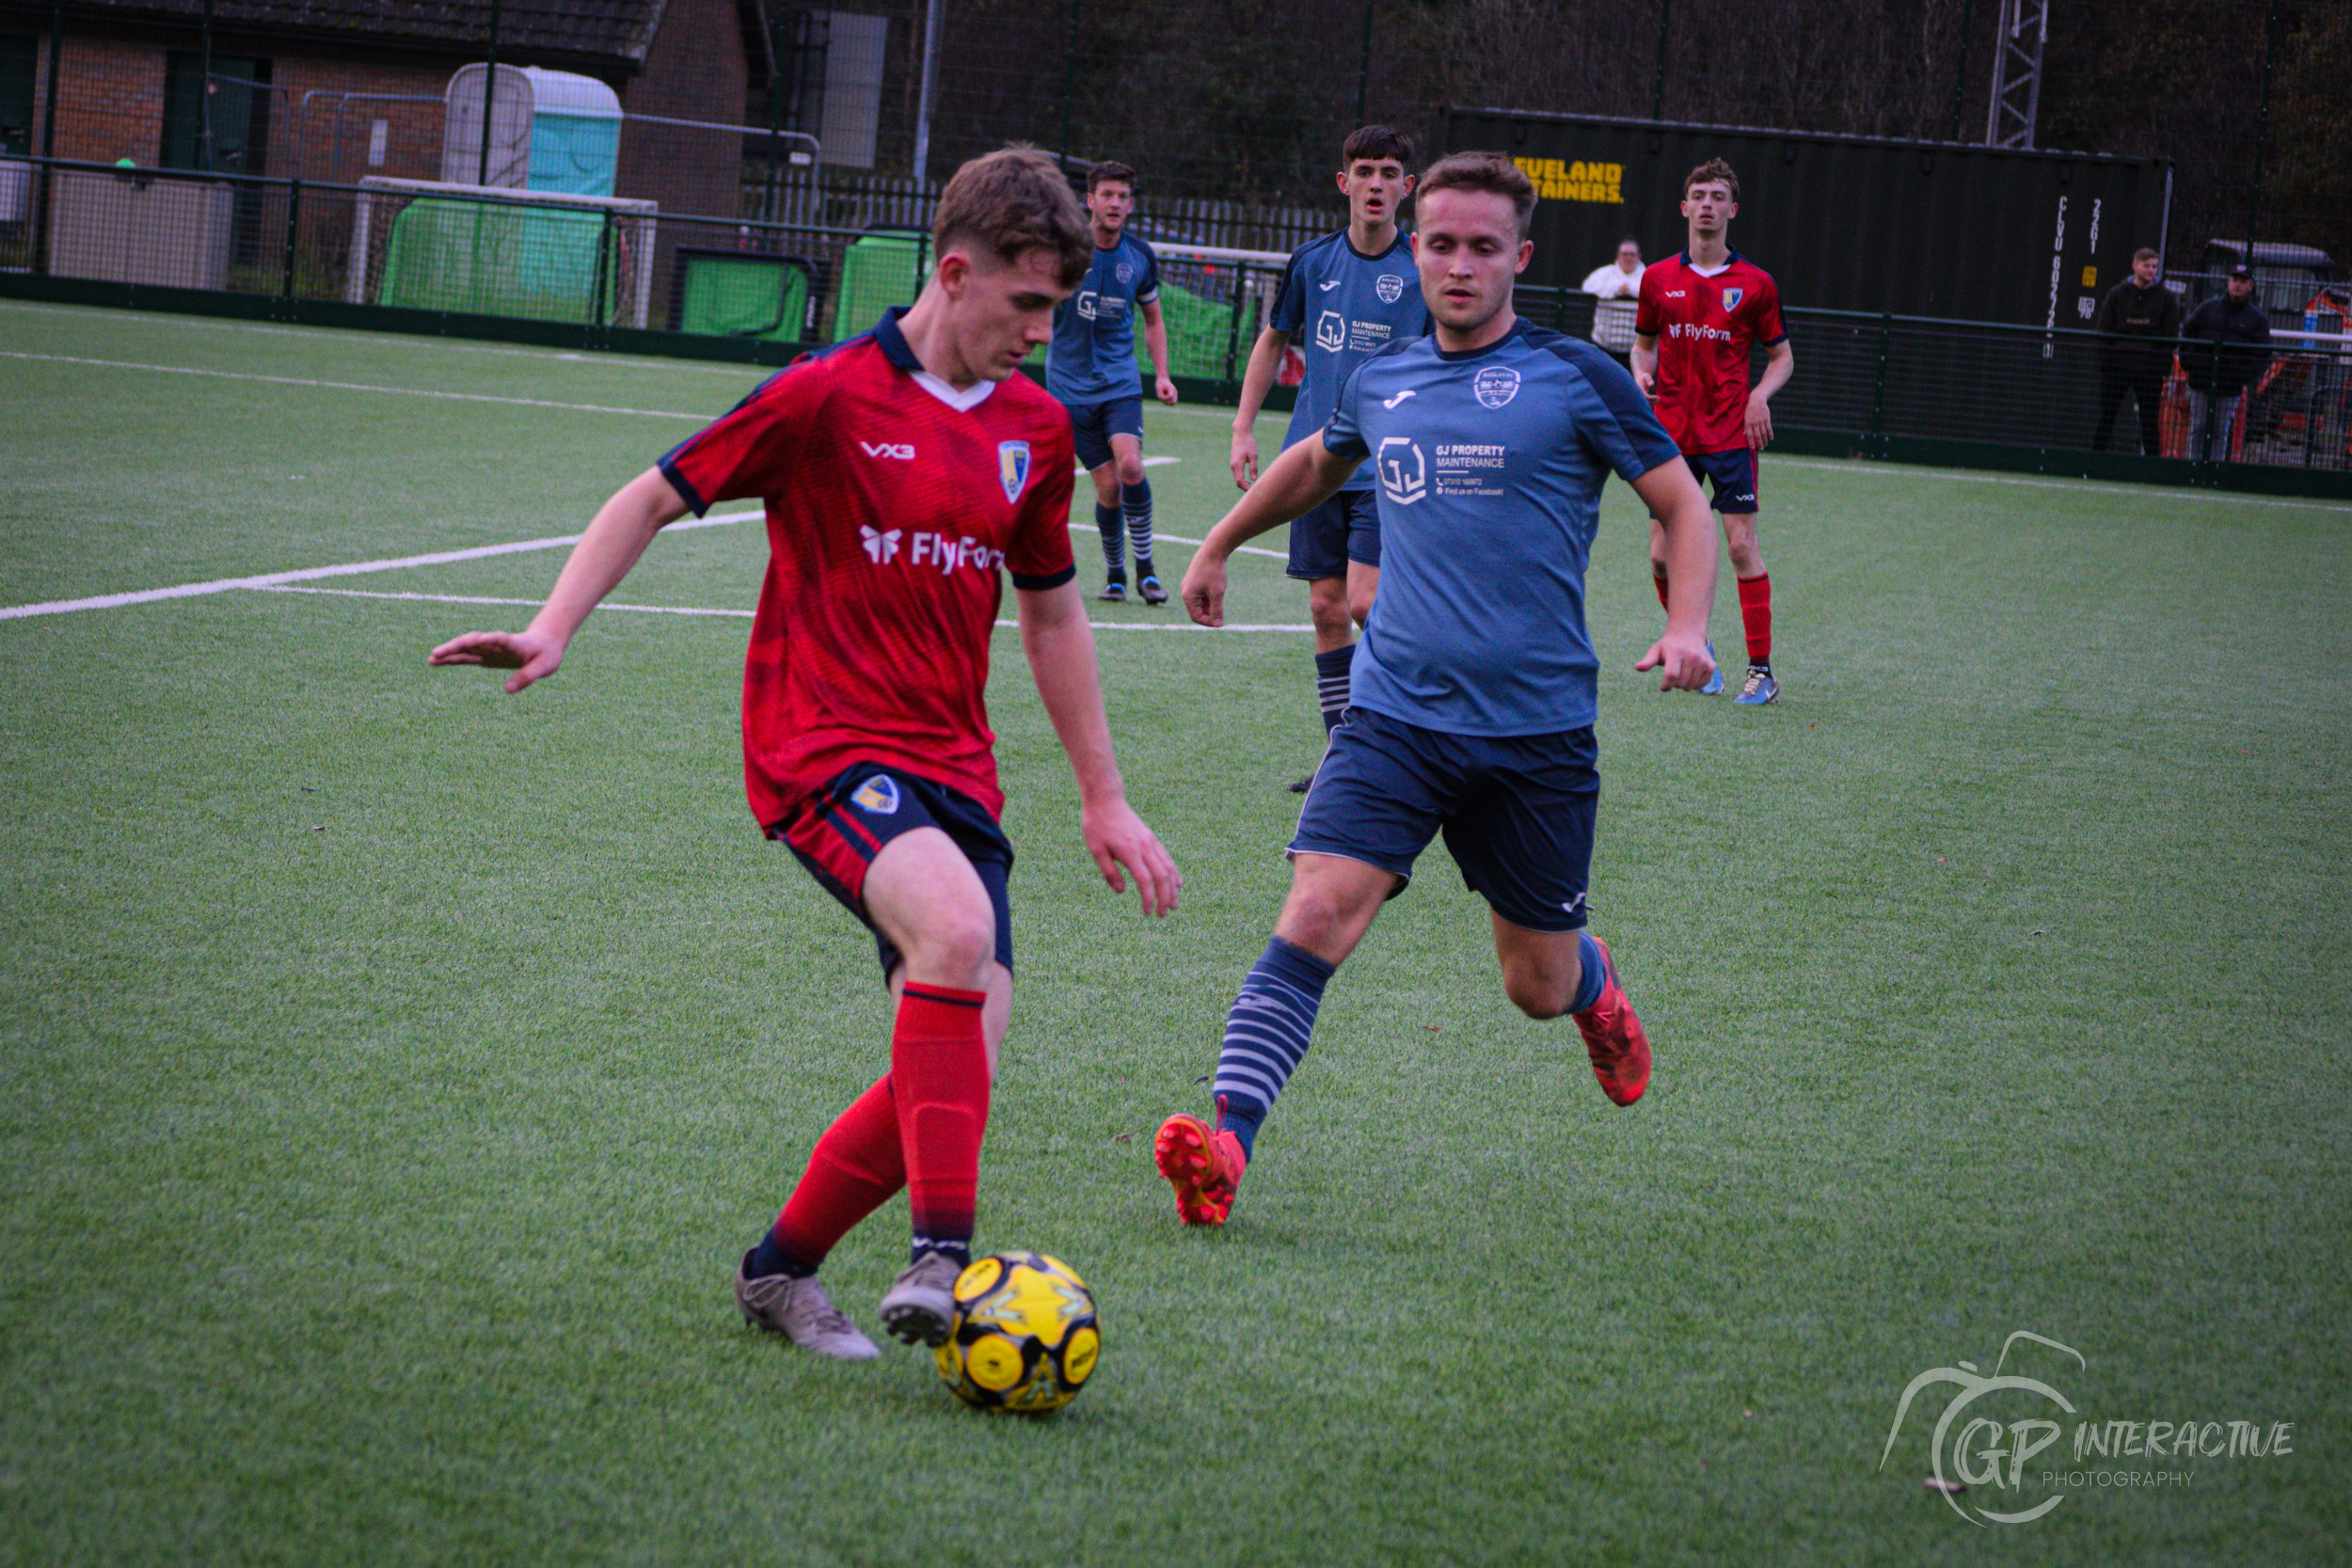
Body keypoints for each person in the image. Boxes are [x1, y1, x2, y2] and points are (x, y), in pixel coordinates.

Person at [427, 148, 1181, 1357]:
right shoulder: (826, 394)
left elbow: (1049, 612)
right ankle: (946, 1256)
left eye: (1054, 310)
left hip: (954, 769)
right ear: (953, 271)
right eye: (1027, 304)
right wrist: (553, 624)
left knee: (954, 1062)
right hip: (819, 744)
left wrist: (1105, 794)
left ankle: (778, 1271)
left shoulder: (1036, 430)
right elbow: (652, 496)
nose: (1042, 333)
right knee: (954, 933)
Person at [1152, 151, 1719, 1228]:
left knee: (1533, 986)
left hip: (1535, 732)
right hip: (1395, 714)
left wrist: (1686, 625)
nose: (1459, 265)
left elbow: (1684, 506)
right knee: (1317, 909)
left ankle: (1594, 986)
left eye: (1482, 247)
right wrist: (1221, 539)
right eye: (1441, 243)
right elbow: (1319, 460)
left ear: (1522, 257)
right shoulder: (1385, 376)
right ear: (1414, 249)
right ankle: (1226, 1142)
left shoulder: (1574, 377)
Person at [1229, 126, 1429, 791]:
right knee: (1325, 607)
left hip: (1389, 466)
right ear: (1344, 183)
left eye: (1390, 172)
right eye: (1365, 171)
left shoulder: (1425, 268)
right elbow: (1271, 339)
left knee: (1368, 601)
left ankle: (1411, 729)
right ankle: (1345, 759)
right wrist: (1243, 427)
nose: (1377, 183)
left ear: (1407, 187)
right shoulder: (1313, 262)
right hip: (1315, 463)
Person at [1632, 158, 1794, 706]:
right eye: (1698, 194)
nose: (1706, 204)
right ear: (1684, 207)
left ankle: (1762, 672)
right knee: (1659, 556)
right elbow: (1643, 344)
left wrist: (1758, 396)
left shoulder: (1756, 284)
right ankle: (1698, 648)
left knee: (1742, 546)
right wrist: (1638, 369)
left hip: (1730, 434)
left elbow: (1782, 358)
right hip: (1670, 436)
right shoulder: (1657, 279)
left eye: (1717, 196)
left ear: (1732, 209)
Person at [1049, 159, 1179, 604]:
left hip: (1119, 381)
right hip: (1068, 386)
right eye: (1107, 195)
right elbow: (1035, 305)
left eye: (1124, 196)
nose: (1116, 203)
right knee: (1106, 487)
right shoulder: (1065, 251)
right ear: (1090, 200)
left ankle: (1146, 569)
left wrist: (1161, 375)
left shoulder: (1139, 256)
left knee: (1130, 466)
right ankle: (1116, 574)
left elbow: (1154, 319)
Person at [2090, 247, 2185, 456]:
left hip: (2149, 370)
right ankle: (2094, 460)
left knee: (2150, 420)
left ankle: (2152, 466)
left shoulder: (2166, 298)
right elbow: (2104, 329)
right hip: (2117, 367)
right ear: (2135, 266)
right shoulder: (2116, 294)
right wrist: (2107, 364)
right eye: (2146, 266)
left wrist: (2161, 368)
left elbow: (2170, 335)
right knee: (2107, 416)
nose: (2151, 270)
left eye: (2154, 266)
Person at [2180, 264, 2272, 462]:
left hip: (2229, 386)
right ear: (2228, 282)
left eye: (2243, 281)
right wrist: (2191, 363)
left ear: (2251, 286)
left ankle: (2214, 468)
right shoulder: (2207, 308)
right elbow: (2187, 334)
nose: (2238, 285)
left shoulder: (2257, 319)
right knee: (2198, 427)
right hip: (2201, 380)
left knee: (2220, 430)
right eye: (2235, 280)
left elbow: (2261, 353)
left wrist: (2241, 377)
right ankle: (2194, 467)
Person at [1580, 234, 1645, 363]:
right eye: (1625, 254)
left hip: (1635, 350)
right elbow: (1587, 286)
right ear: (1618, 256)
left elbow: (1657, 293)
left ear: (1638, 257)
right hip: (1604, 346)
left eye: (1632, 254)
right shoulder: (1605, 273)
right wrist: (1615, 289)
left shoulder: (1647, 275)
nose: (1628, 258)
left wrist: (1632, 290)